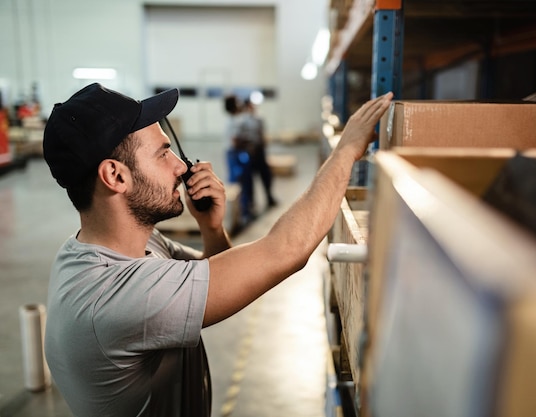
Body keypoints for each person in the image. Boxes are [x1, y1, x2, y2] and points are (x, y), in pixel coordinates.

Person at [42, 82, 393, 417]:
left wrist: (211, 229)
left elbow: (217, 282)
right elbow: (285, 251)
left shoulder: (123, 245)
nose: (181, 167)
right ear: (115, 176)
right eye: (163, 154)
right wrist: (347, 150)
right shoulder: (112, 297)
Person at [236, 98, 277, 210]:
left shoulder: (259, 118)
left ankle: (269, 197)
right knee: (248, 179)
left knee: (266, 175)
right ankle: (250, 202)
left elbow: (262, 133)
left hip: (259, 151)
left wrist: (263, 145)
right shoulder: (242, 120)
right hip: (248, 152)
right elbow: (240, 137)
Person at [223, 94, 254, 222]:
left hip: (233, 153)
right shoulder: (235, 121)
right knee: (241, 182)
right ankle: (243, 213)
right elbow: (236, 141)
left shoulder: (232, 120)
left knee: (238, 181)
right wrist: (249, 143)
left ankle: (241, 211)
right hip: (236, 154)